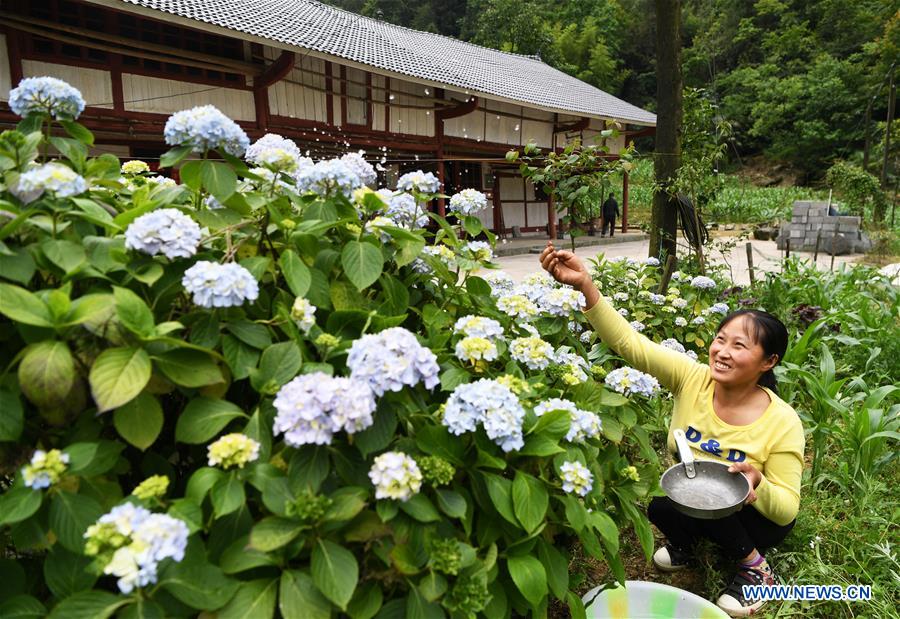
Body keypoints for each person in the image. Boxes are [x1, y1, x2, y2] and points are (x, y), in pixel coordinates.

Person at [539, 242, 804, 618]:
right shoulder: (693, 379)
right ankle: (689, 544)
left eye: (739, 346)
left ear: (769, 361)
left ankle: (755, 569)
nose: (722, 352)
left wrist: (756, 486)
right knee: (660, 504)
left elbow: (787, 510)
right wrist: (586, 287)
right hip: (698, 500)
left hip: (755, 518)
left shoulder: (782, 421)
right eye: (720, 339)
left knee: (723, 495)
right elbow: (632, 345)